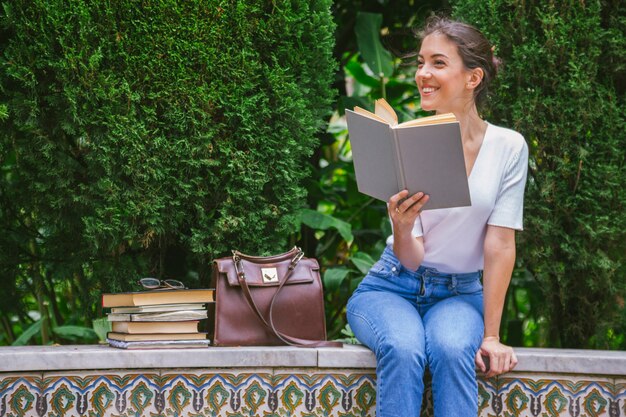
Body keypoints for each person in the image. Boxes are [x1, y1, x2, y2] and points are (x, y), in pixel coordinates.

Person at [346, 15, 528, 417]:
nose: (423, 74)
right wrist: (402, 225)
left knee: (449, 348)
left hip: (460, 294)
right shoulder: (412, 141)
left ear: (473, 77)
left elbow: (500, 244)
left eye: (438, 63)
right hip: (391, 286)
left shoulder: (508, 147)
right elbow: (411, 257)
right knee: (403, 346)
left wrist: (493, 336)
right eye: (421, 63)